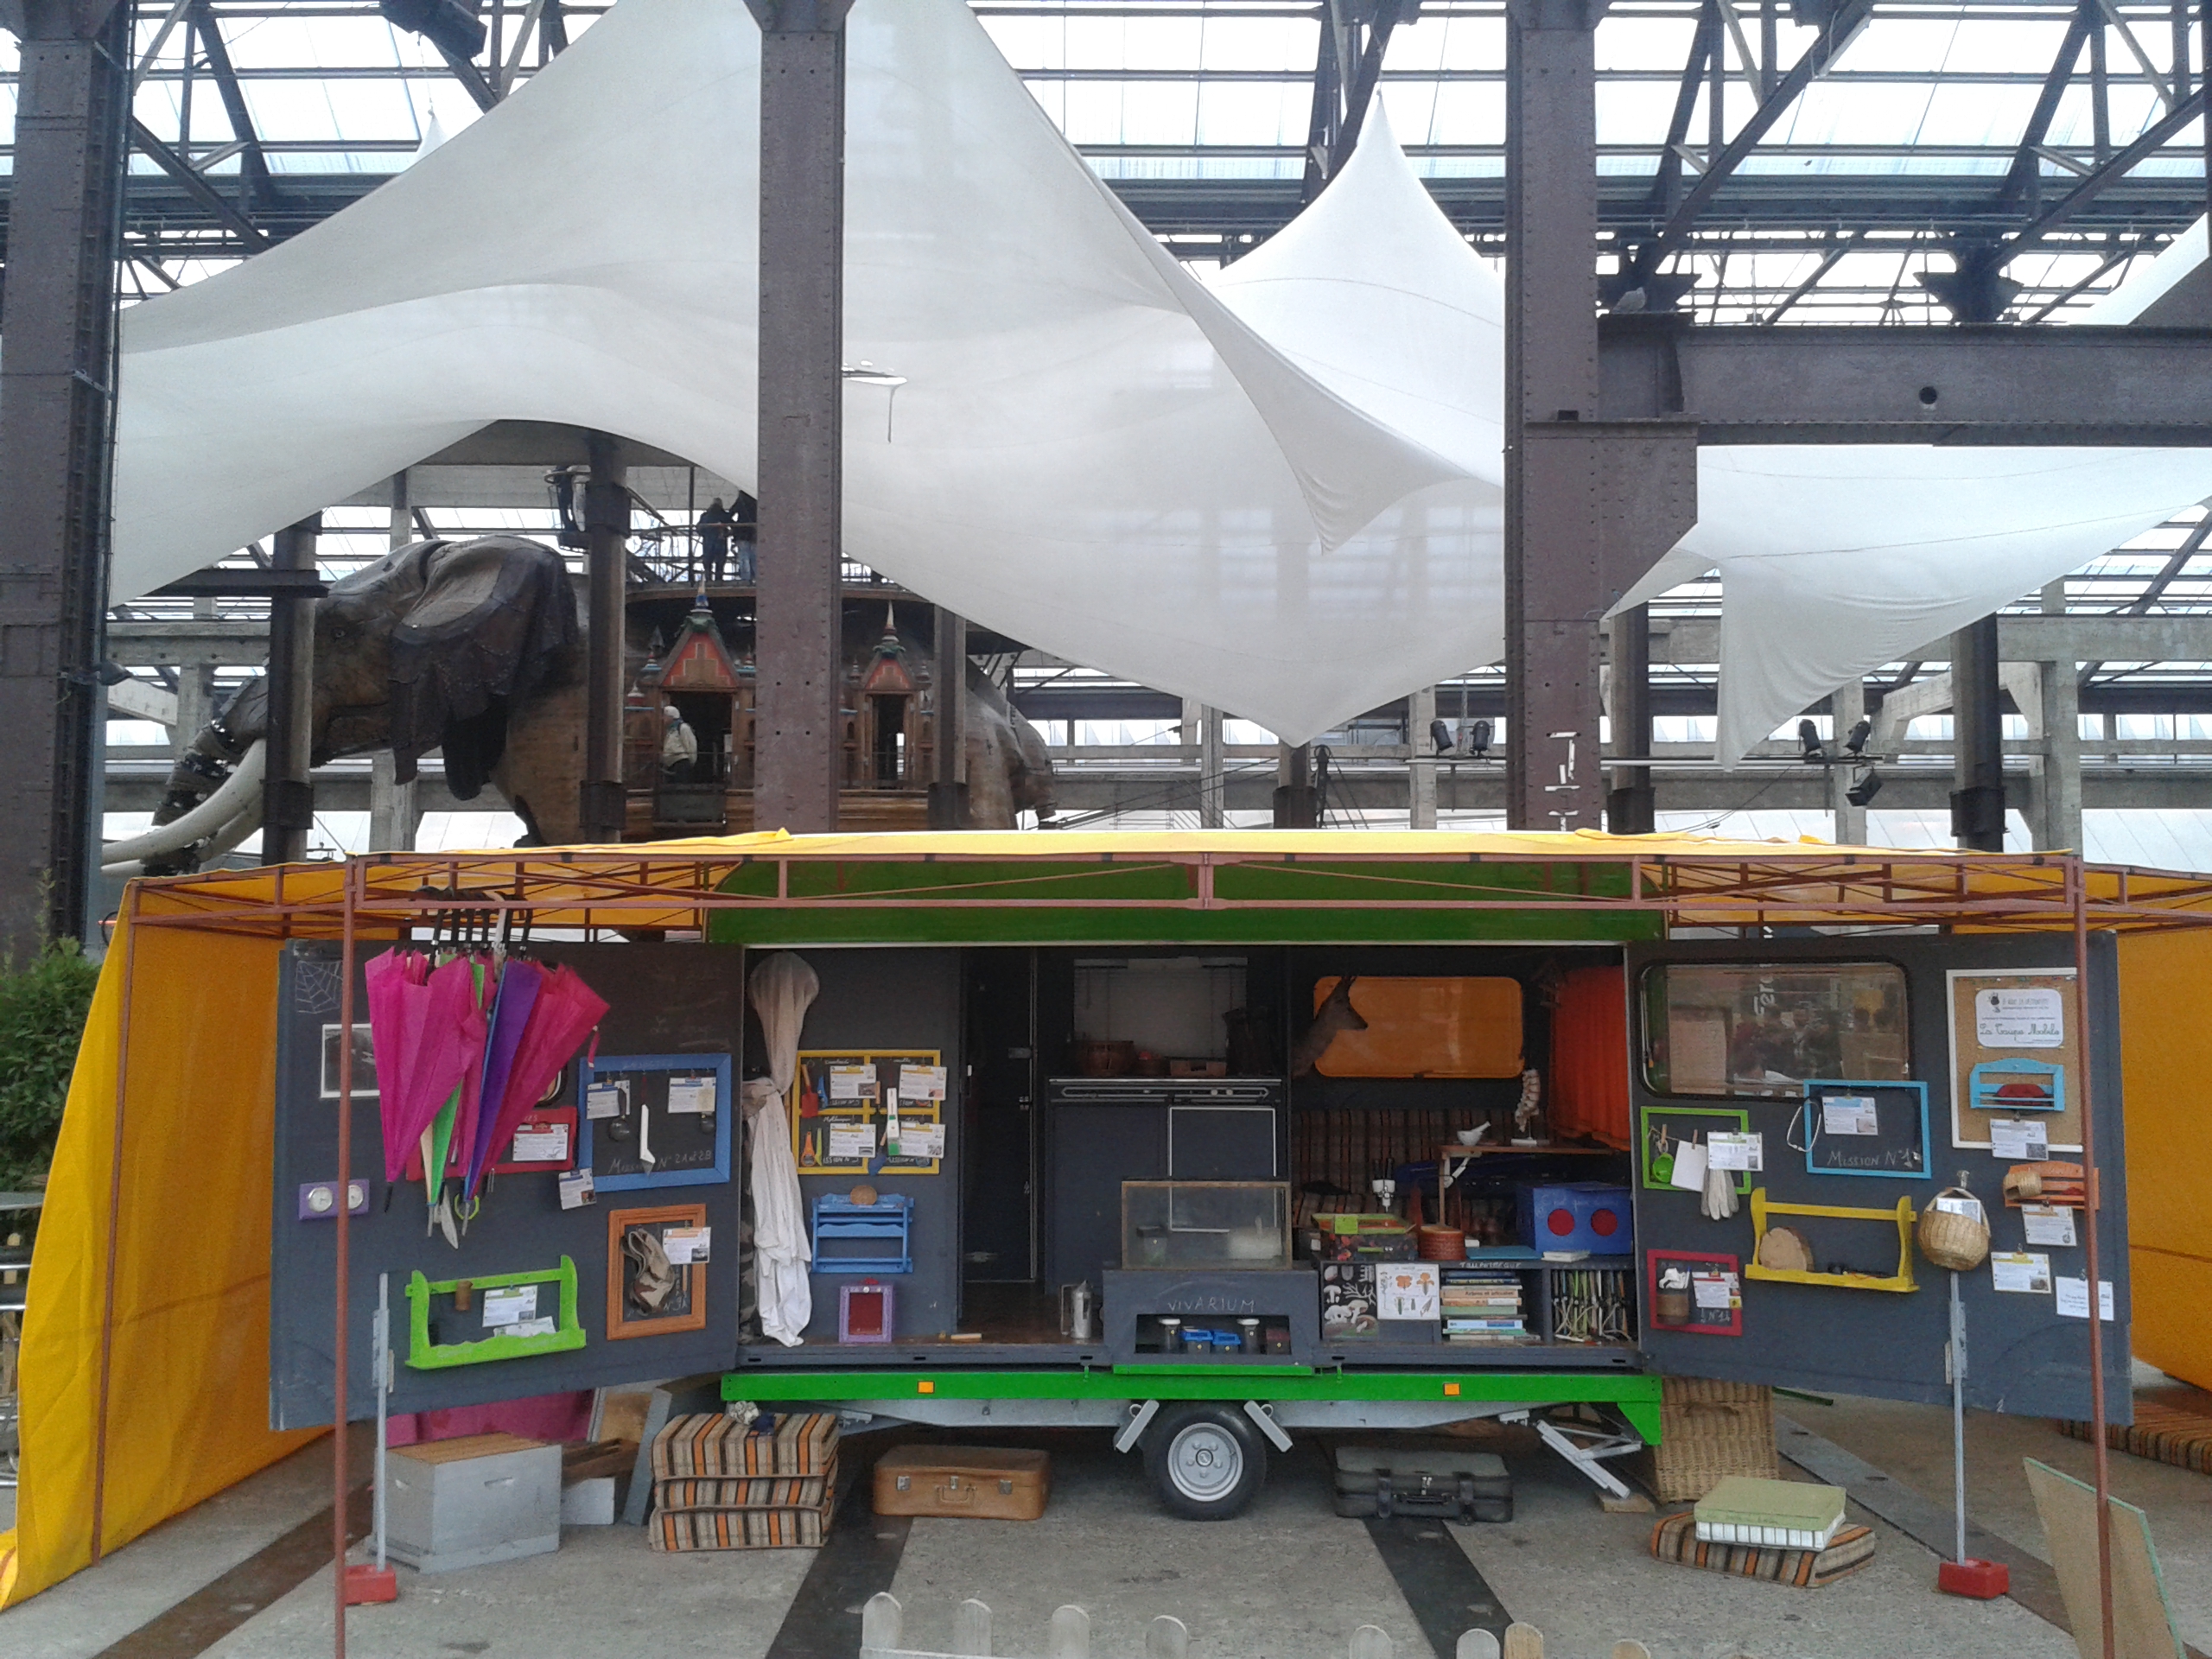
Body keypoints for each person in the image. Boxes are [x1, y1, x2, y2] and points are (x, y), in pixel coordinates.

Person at [698, 498, 733, 584]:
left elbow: (699, 529)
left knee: (708, 561)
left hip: (708, 541)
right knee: (720, 562)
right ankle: (718, 580)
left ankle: (708, 579)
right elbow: (734, 526)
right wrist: (727, 533)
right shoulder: (724, 515)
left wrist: (705, 534)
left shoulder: (705, 515)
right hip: (720, 541)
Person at [661, 702, 698, 783]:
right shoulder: (670, 730)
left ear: (672, 717)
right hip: (671, 764)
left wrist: (691, 762)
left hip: (681, 764)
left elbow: (691, 745)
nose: (663, 718)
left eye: (665, 716)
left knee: (680, 786)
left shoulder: (683, 728)